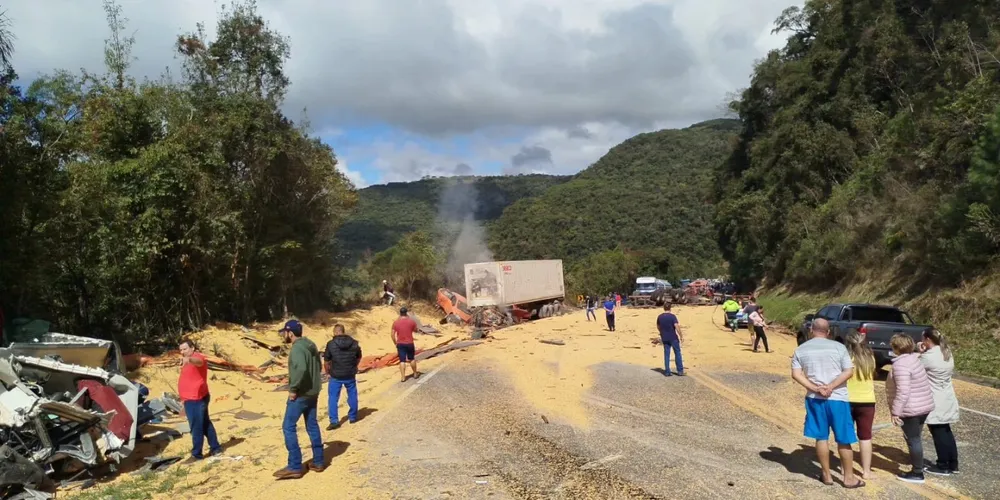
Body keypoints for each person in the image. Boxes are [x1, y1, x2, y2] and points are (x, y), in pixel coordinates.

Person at [790, 318, 864, 489]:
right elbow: (848, 371)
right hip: (838, 397)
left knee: (821, 437)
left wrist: (815, 388)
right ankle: (848, 478)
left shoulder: (801, 349)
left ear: (811, 331)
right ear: (828, 331)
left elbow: (796, 374)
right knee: (844, 439)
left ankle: (827, 474)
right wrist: (831, 386)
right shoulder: (839, 347)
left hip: (815, 399)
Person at [274, 320, 324, 480]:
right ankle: (318, 461)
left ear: (290, 332)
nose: (284, 336)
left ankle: (295, 466)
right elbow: (318, 365)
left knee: (288, 427)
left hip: (301, 394)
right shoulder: (310, 344)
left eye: (285, 333)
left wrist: (293, 389)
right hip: (313, 392)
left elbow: (301, 368)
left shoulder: (296, 348)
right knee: (312, 425)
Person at [886, 333, 935, 484]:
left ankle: (917, 472)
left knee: (913, 440)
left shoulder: (900, 365)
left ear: (895, 348)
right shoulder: (914, 358)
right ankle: (918, 464)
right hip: (923, 405)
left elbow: (903, 391)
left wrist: (896, 412)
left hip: (911, 408)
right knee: (916, 438)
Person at [919, 328, 960, 476]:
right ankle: (953, 463)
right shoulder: (946, 352)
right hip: (947, 395)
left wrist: (920, 352)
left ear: (928, 340)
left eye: (923, 339)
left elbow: (916, 367)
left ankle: (942, 465)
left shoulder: (928, 356)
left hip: (935, 397)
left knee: (938, 432)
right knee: (946, 430)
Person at [178, 340, 222, 461]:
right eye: (181, 350)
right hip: (190, 399)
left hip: (196, 399)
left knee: (196, 427)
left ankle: (196, 454)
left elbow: (199, 362)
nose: (182, 352)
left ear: (192, 348)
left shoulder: (196, 357)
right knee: (205, 423)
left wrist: (190, 359)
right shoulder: (185, 360)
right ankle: (215, 447)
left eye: (185, 349)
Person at [845, 331, 876, 479]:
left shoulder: (846, 359)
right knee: (865, 437)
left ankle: (846, 469)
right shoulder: (871, 359)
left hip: (847, 400)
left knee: (845, 436)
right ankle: (866, 471)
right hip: (867, 401)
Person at [324, 324, 362, 430]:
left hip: (336, 375)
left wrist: (328, 372)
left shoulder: (331, 344)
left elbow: (326, 361)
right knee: (352, 395)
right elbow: (359, 357)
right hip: (350, 373)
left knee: (333, 398)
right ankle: (353, 417)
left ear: (335, 332)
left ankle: (334, 421)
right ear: (343, 331)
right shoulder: (354, 343)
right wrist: (354, 365)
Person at [392, 307, 419, 382]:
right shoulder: (411, 321)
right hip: (410, 343)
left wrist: (395, 343)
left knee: (402, 360)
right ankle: (415, 374)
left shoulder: (396, 322)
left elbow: (392, 334)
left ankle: (403, 377)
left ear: (400, 313)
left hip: (400, 343)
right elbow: (416, 330)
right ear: (406, 313)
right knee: (412, 359)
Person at [656, 303, 684, 376]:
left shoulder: (660, 317)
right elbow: (676, 326)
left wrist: (661, 332)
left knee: (667, 354)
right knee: (677, 353)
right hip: (673, 337)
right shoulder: (672, 317)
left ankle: (667, 371)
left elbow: (658, 326)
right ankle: (680, 370)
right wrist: (681, 335)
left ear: (664, 308)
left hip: (664, 337)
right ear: (670, 308)